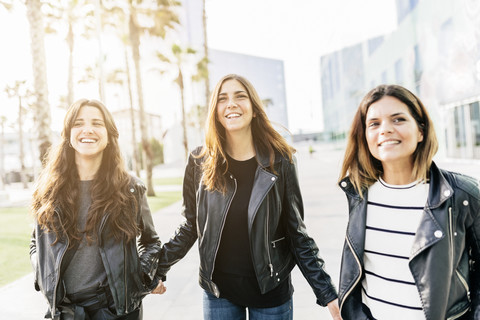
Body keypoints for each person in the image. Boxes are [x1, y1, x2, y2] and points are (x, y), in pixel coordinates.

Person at [152, 74, 341, 320]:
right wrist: (157, 268)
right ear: (216, 112)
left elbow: (297, 233)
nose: (231, 103)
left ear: (253, 109)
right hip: (219, 292)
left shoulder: (280, 160)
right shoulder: (200, 162)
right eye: (223, 98)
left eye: (240, 96)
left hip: (271, 291)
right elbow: (192, 226)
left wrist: (326, 292)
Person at [337, 84, 480, 319]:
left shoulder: (462, 193)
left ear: (421, 131)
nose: (385, 130)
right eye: (374, 123)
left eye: (398, 119)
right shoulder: (359, 195)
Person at [30, 99, 166, 320]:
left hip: (114, 311)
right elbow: (36, 242)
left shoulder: (130, 188)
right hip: (64, 312)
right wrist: (42, 274)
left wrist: (140, 276)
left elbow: (150, 242)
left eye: (97, 123)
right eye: (79, 123)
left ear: (109, 134)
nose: (88, 130)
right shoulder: (47, 190)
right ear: (68, 134)